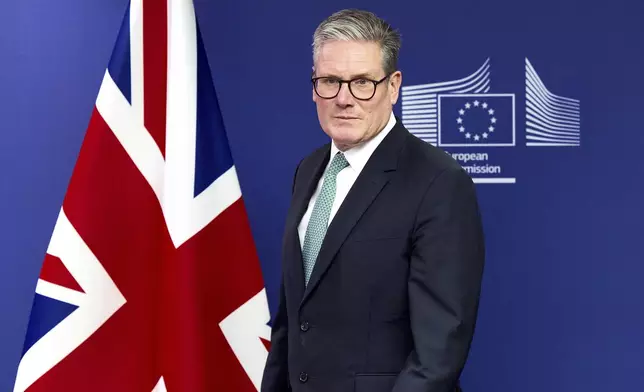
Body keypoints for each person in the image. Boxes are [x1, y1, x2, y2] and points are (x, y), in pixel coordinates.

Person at [261, 8, 485, 392]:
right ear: (314, 86)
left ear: (393, 86)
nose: (344, 99)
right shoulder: (308, 170)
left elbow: (439, 352)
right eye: (330, 81)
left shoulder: (439, 182)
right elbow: (294, 320)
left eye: (362, 82)